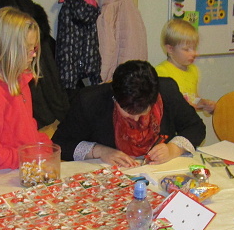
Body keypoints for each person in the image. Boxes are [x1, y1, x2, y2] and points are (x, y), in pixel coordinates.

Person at [52, 60, 206, 168]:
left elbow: (196, 127)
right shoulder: (90, 101)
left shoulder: (166, 90)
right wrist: (100, 151)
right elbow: (59, 144)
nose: (136, 120)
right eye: (128, 113)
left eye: (143, 112)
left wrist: (173, 149)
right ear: (115, 98)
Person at [0, 7, 52, 170]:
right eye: (28, 49)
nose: (34, 55)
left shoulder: (20, 83)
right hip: (1, 175)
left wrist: (44, 146)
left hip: (23, 168)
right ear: (7, 49)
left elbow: (28, 130)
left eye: (34, 48)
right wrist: (30, 156)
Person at [155, 18, 216, 114]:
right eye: (187, 49)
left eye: (194, 48)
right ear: (170, 49)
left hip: (188, 121)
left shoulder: (193, 70)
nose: (194, 53)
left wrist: (203, 103)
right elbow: (161, 106)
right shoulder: (161, 72)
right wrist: (187, 106)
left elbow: (192, 98)